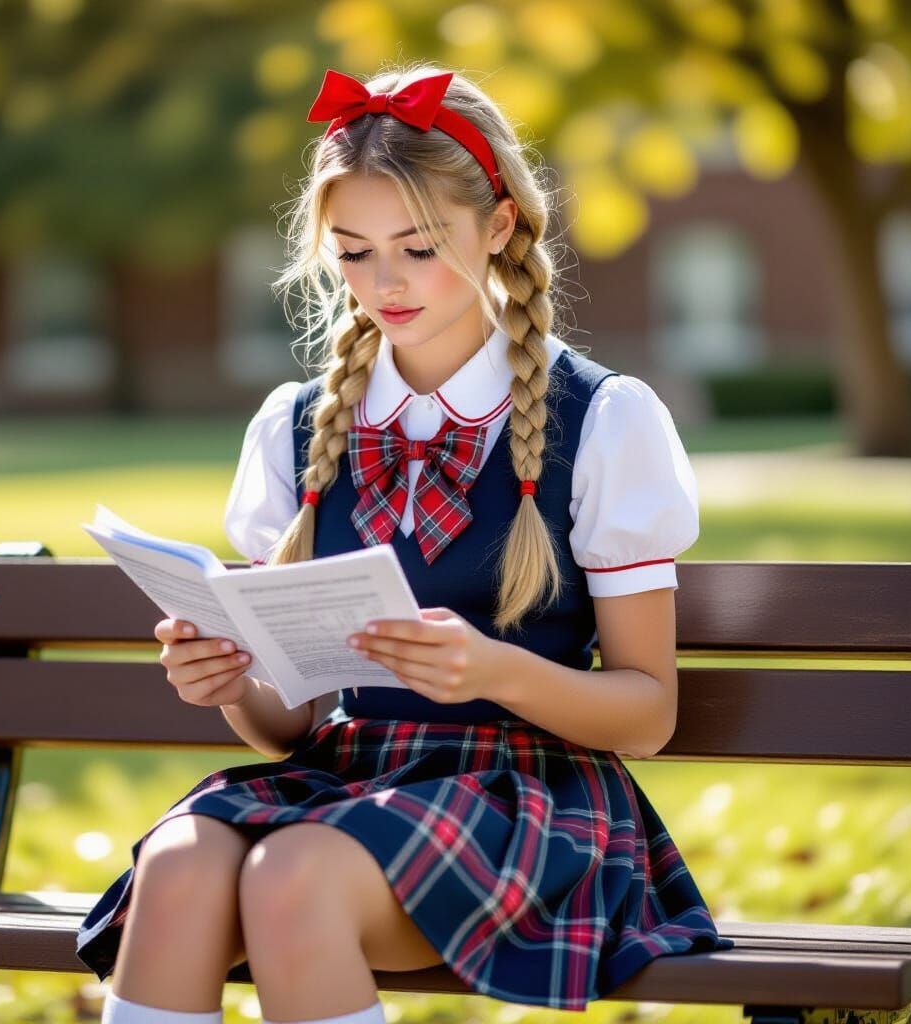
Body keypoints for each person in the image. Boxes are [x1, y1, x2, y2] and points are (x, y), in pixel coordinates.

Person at [76, 63, 734, 1024]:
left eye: (418, 249)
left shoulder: (603, 419)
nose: (383, 284)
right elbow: (290, 727)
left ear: (499, 227)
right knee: (179, 866)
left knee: (291, 877)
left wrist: (490, 669)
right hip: (349, 774)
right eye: (351, 253)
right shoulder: (298, 427)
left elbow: (647, 713)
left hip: (528, 797)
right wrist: (234, 681)